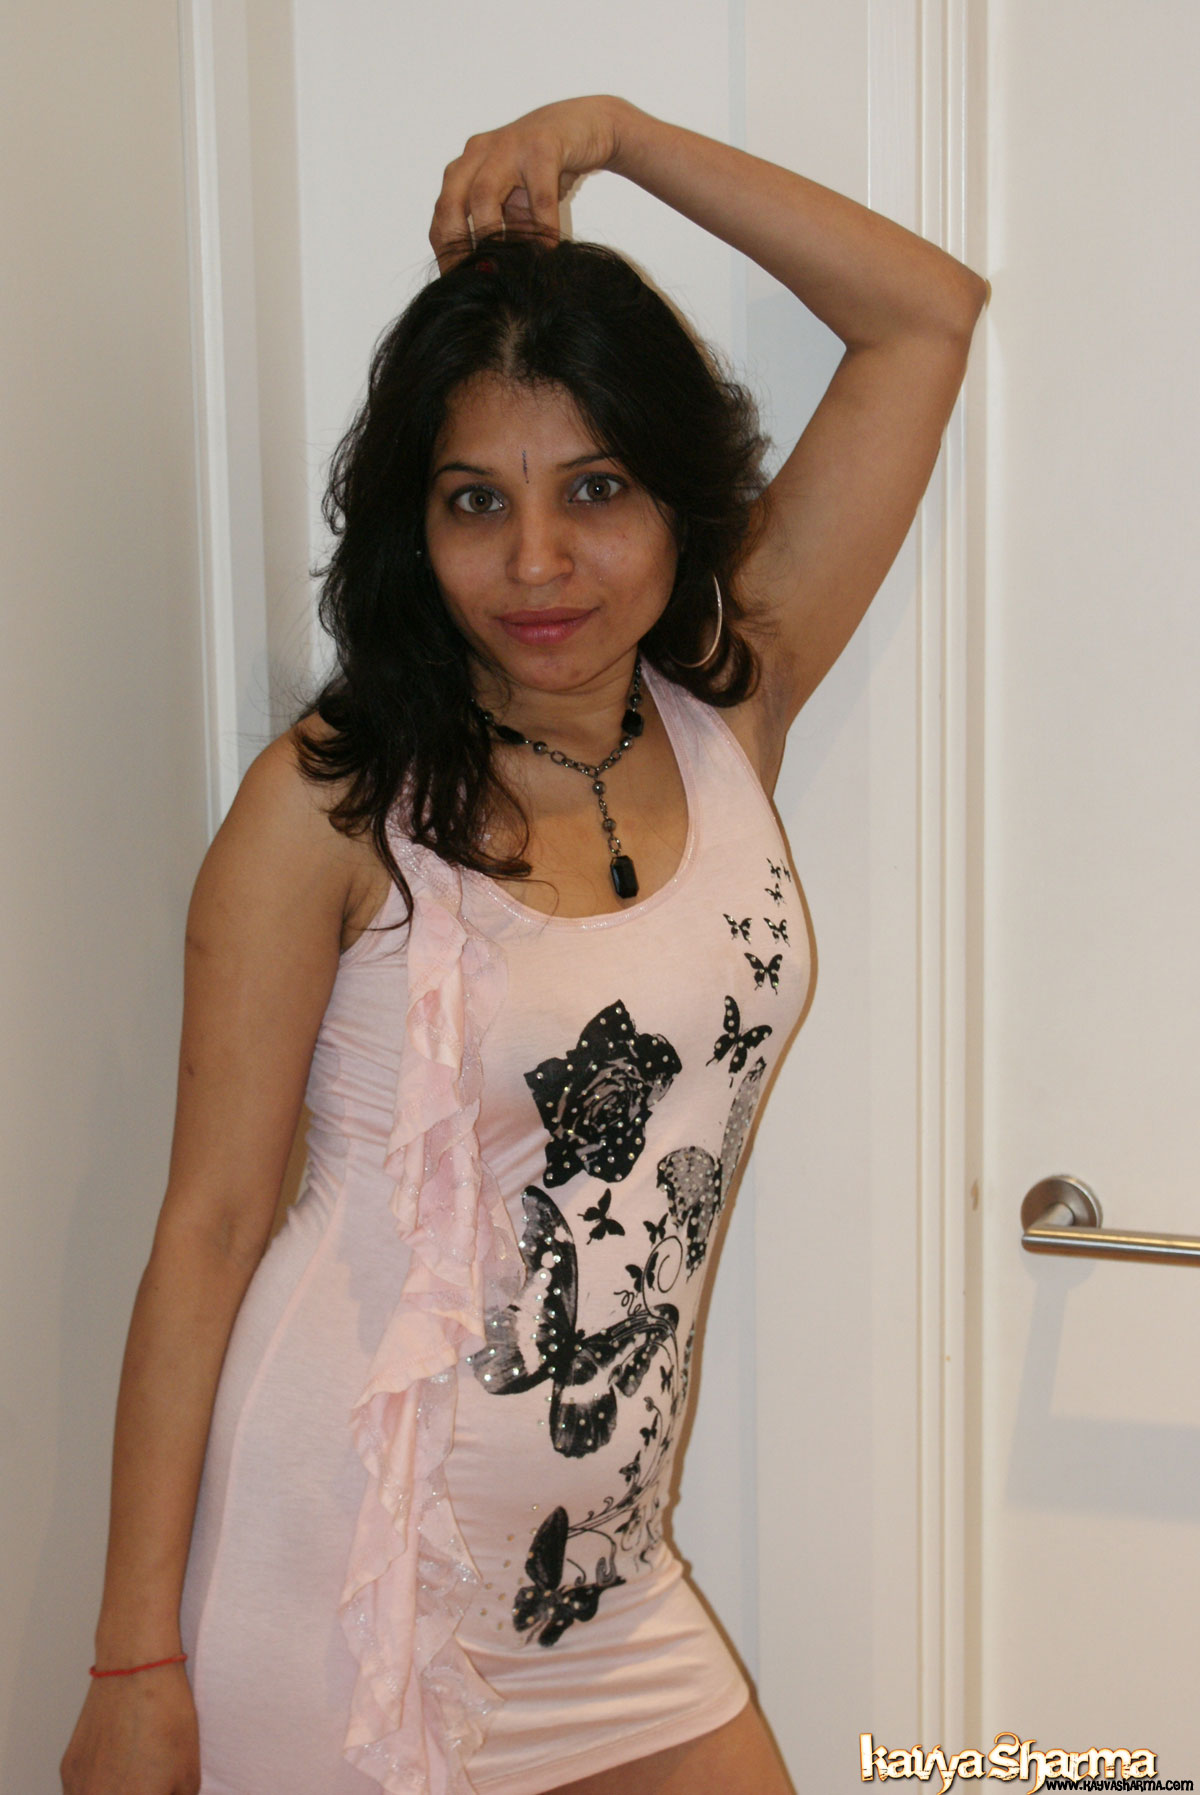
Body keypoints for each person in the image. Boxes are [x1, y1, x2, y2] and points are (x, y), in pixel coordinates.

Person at [61, 95, 985, 1795]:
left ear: (678, 502)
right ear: (412, 527)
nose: (539, 562)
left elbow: (925, 316)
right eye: (476, 499)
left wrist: (616, 137)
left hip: (606, 1599)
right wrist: (133, 1660)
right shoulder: (332, 806)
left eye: (597, 489)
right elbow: (207, 1232)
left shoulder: (724, 711)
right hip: (342, 1592)